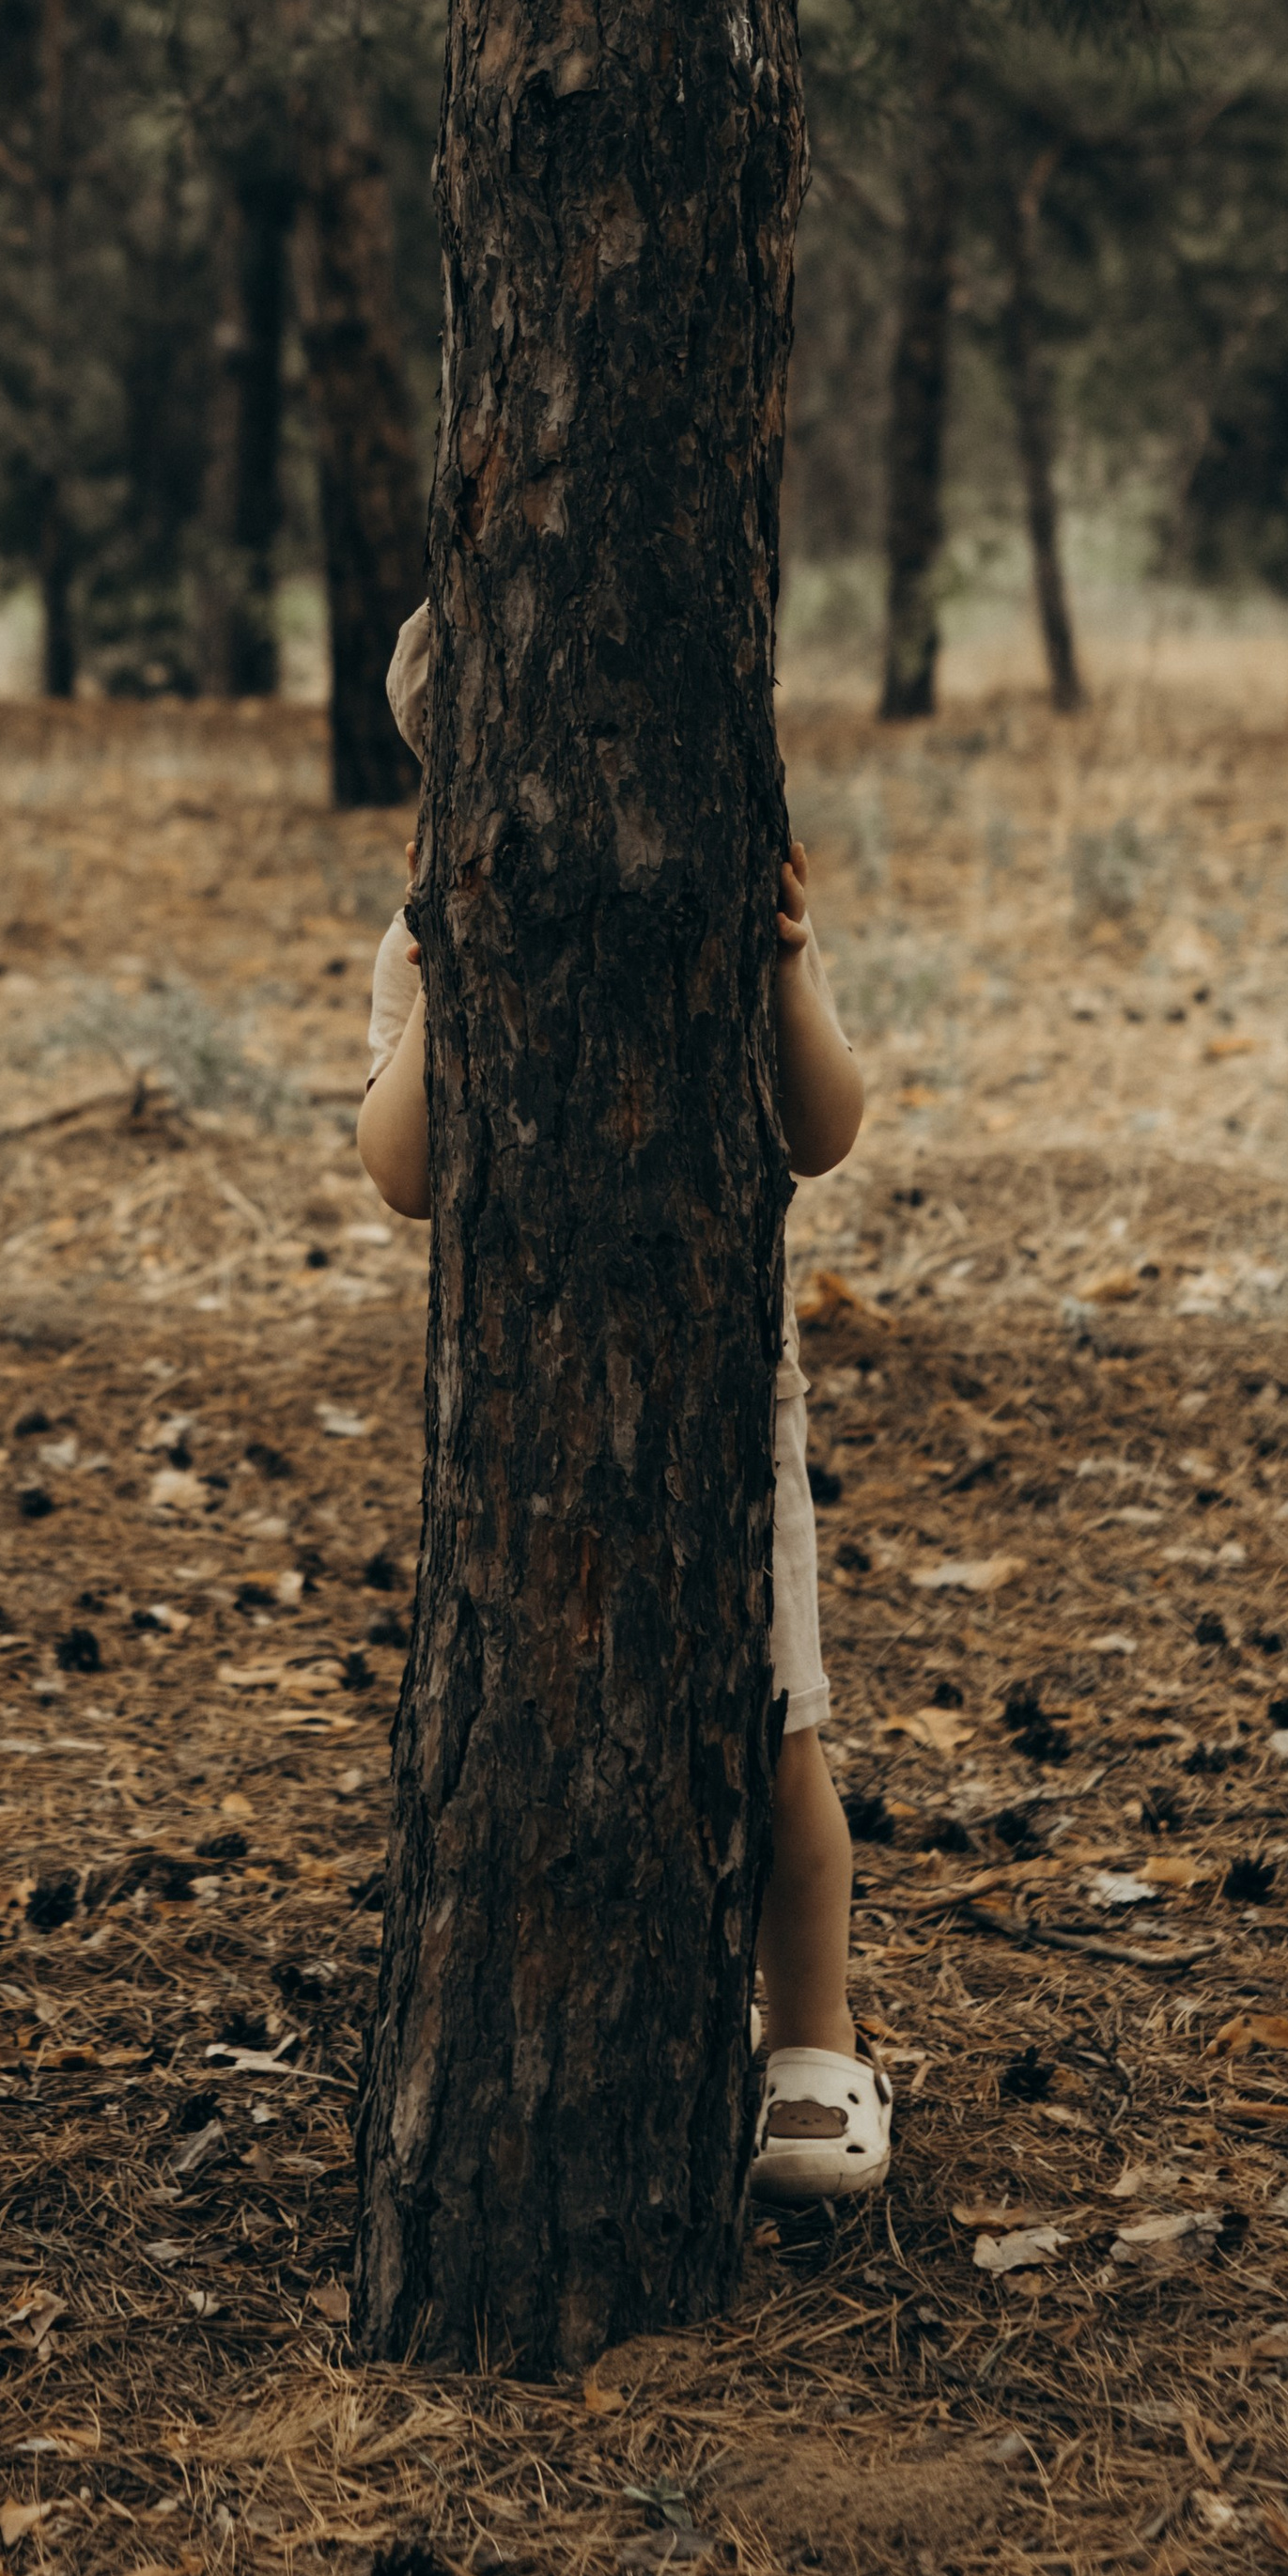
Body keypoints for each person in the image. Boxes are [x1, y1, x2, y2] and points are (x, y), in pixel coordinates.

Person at [353, 603, 890, 2208]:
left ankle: (813, 2032)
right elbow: (402, 1171)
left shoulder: (715, 903)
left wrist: (786, 967)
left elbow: (824, 1128)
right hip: (524, 1408)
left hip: (720, 1382)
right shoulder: (419, 943)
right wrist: (450, 980)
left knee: (775, 1727)